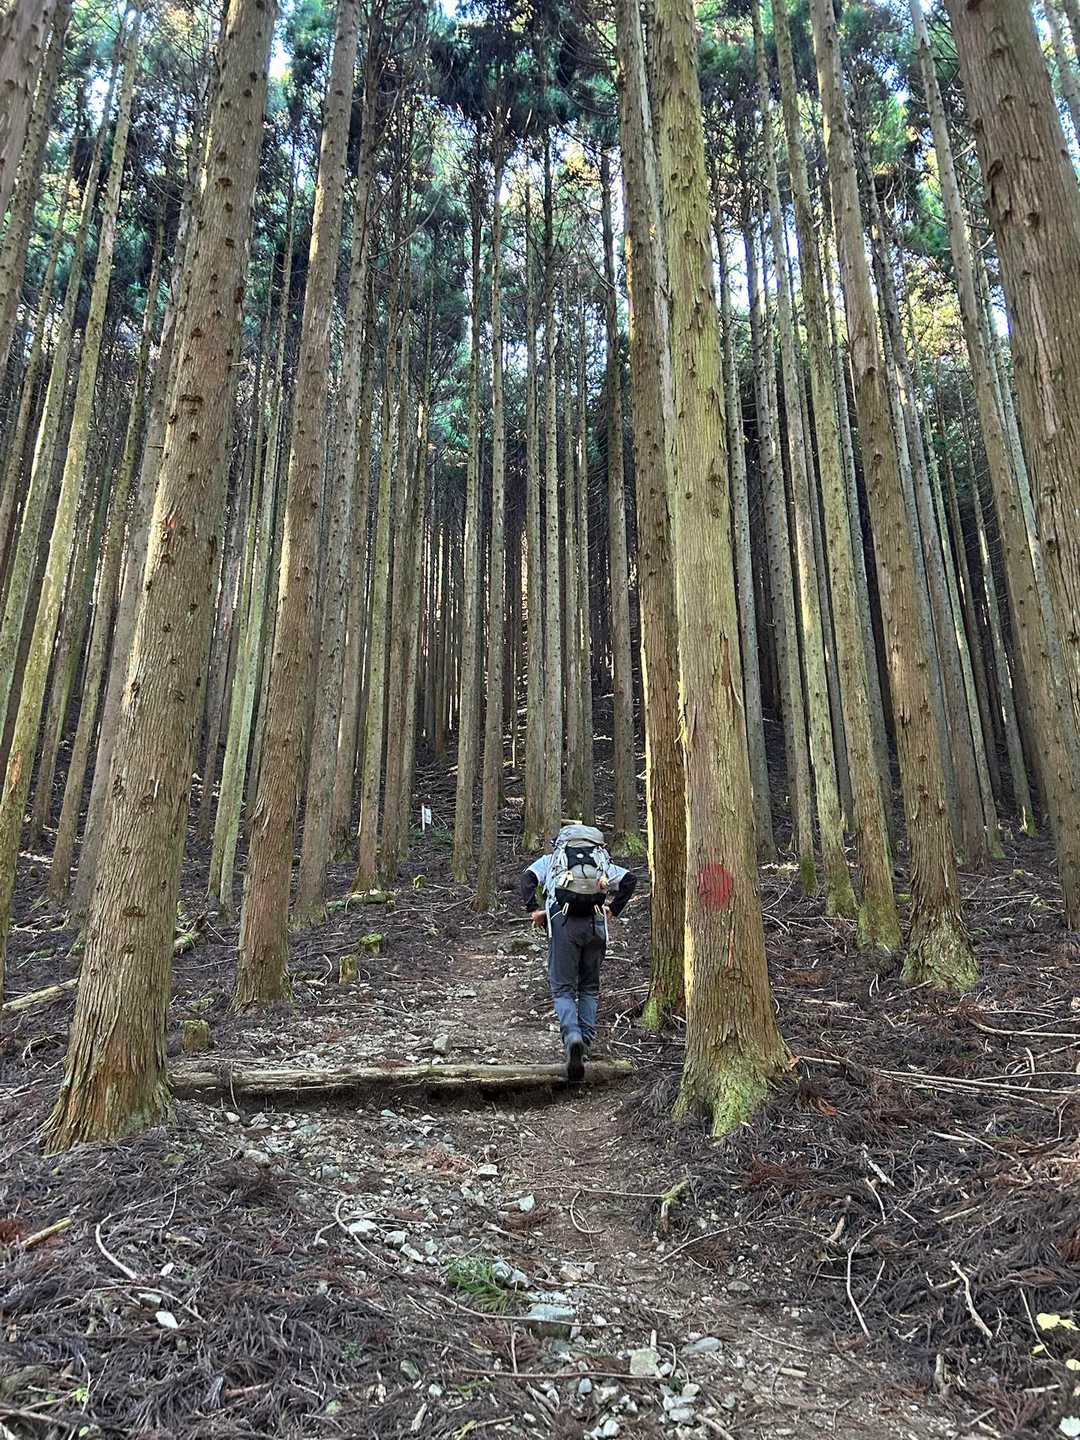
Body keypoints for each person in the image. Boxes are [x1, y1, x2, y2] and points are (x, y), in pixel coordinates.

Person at [519, 824, 638, 1081]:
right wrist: (614, 909)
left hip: (563, 923)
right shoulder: (601, 860)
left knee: (563, 988)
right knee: (589, 988)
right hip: (595, 925)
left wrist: (534, 910)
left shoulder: (552, 860)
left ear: (561, 842)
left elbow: (527, 878)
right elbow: (629, 880)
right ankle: (585, 1043)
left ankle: (572, 1036)